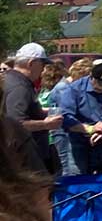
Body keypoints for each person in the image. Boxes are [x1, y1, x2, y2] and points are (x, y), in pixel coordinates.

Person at [0, 43, 62, 173]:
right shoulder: (19, 87)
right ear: (31, 63)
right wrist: (46, 124)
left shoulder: (11, 79)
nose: (44, 70)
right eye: (43, 65)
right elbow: (16, 122)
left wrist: (42, 112)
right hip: (23, 156)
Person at [60, 58, 102, 175]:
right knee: (79, 184)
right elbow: (66, 119)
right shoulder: (73, 90)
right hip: (80, 146)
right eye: (100, 85)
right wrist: (91, 129)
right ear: (91, 77)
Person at [49, 58, 94, 176]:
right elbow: (68, 113)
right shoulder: (63, 88)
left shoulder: (70, 86)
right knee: (69, 168)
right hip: (63, 133)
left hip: (75, 131)